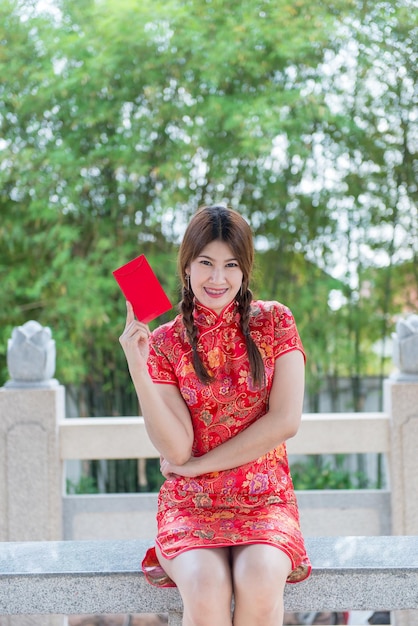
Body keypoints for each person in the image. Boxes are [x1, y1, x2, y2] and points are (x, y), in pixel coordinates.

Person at [119, 205, 311, 626]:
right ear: (187, 266)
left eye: (230, 265)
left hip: (263, 498)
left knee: (260, 578)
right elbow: (176, 448)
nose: (218, 278)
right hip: (192, 503)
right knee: (206, 587)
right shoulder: (166, 341)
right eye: (206, 263)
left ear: (245, 271)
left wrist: (202, 466)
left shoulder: (275, 322)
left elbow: (285, 422)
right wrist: (139, 367)